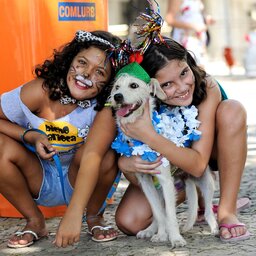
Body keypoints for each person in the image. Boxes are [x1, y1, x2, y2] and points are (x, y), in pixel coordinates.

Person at [115, 37, 250, 242]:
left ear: (189, 62)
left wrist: (148, 135)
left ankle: (226, 210)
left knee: (233, 110)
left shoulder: (206, 85)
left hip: (209, 151)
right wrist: (125, 163)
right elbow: (137, 174)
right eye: (167, 84)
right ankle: (193, 192)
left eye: (184, 73)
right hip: (173, 162)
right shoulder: (137, 102)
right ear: (150, 87)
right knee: (130, 221)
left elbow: (197, 166)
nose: (182, 87)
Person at [0, 30, 121, 248]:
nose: (86, 75)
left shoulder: (106, 106)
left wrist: (73, 215)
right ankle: (34, 221)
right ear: (69, 60)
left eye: (99, 73)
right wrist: (29, 135)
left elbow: (93, 156)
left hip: (83, 179)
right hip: (38, 176)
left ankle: (94, 216)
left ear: (110, 82)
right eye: (82, 62)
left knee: (107, 152)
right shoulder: (39, 91)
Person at [165, 0, 214, 67]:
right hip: (185, 39)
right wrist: (194, 26)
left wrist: (206, 19)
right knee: (191, 67)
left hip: (199, 40)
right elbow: (169, 20)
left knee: (201, 68)